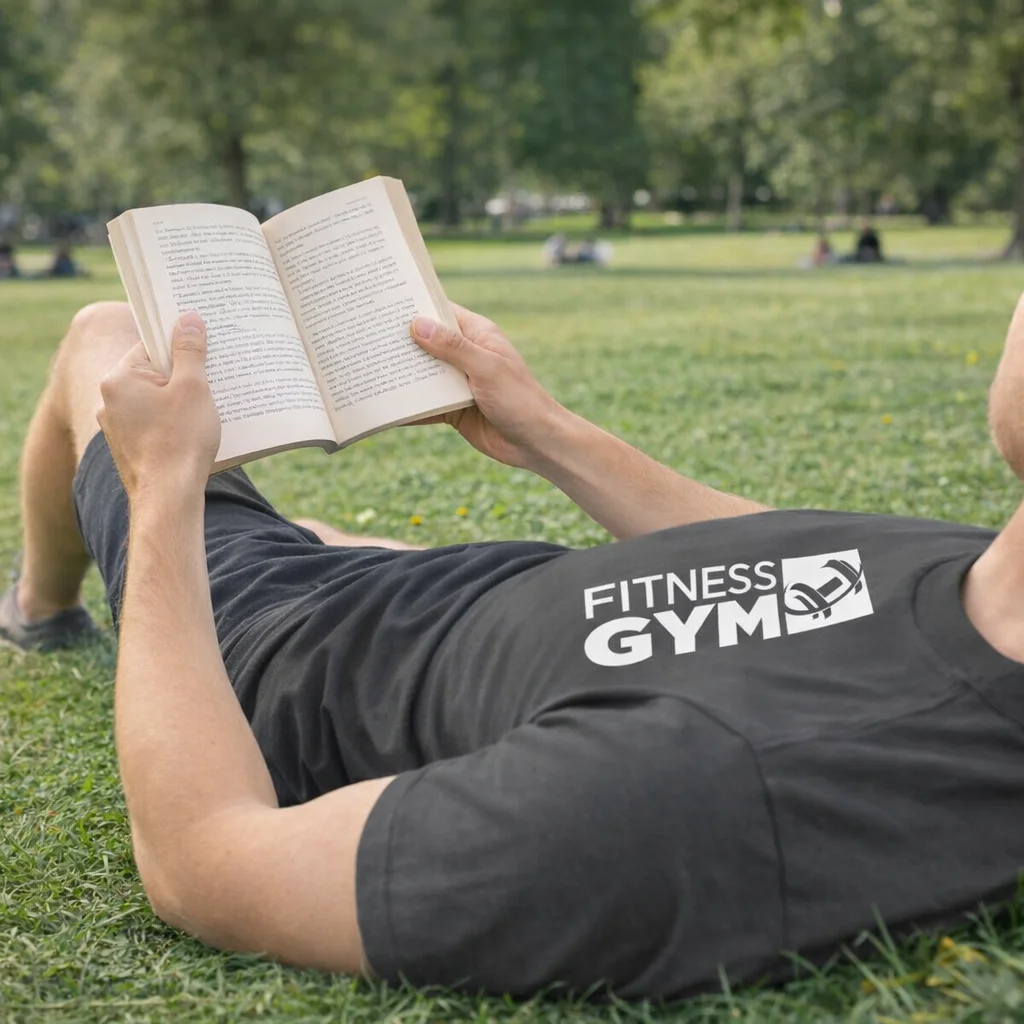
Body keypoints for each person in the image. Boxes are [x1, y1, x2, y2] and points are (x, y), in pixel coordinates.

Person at [4, 298, 1024, 1000]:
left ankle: (40, 610)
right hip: (483, 597)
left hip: (290, 649)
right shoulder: (993, 589)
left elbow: (204, 862)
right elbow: (817, 569)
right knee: (320, 533)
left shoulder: (706, 790)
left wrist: (165, 490)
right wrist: (545, 431)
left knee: (106, 335)